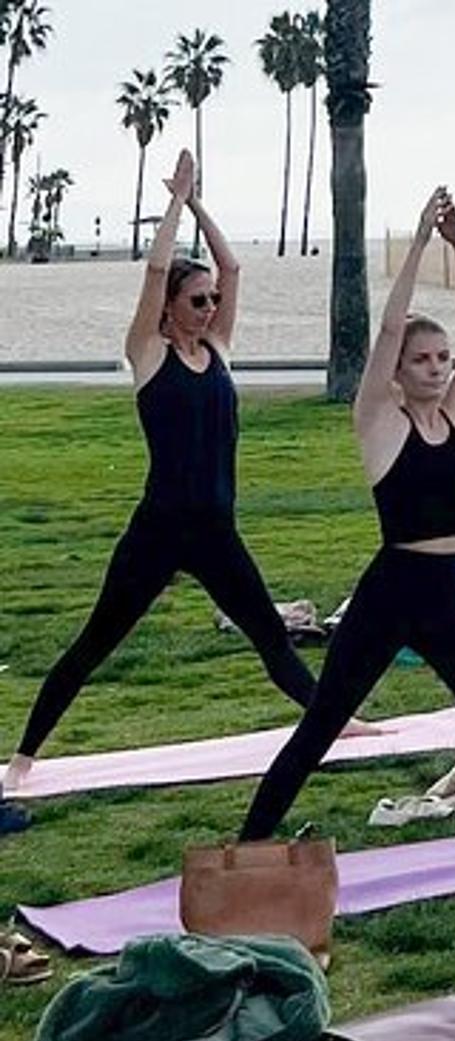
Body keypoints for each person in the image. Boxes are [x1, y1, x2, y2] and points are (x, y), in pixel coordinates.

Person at [3, 150, 347, 814]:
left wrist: (197, 204)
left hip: (217, 532)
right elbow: (157, 269)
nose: (210, 306)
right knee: (94, 643)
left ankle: (337, 724)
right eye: (198, 300)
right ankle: (23, 757)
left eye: (212, 300)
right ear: (167, 309)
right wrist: (172, 204)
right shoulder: (148, 353)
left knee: (270, 637)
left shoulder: (217, 349)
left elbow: (233, 267)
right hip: (158, 532)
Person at [237, 188, 455, 841]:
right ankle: (247, 844)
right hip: (391, 595)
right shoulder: (380, 420)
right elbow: (389, 329)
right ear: (396, 370)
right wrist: (420, 242)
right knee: (322, 726)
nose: (436, 369)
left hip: (450, 597)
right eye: (421, 360)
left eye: (442, 359)